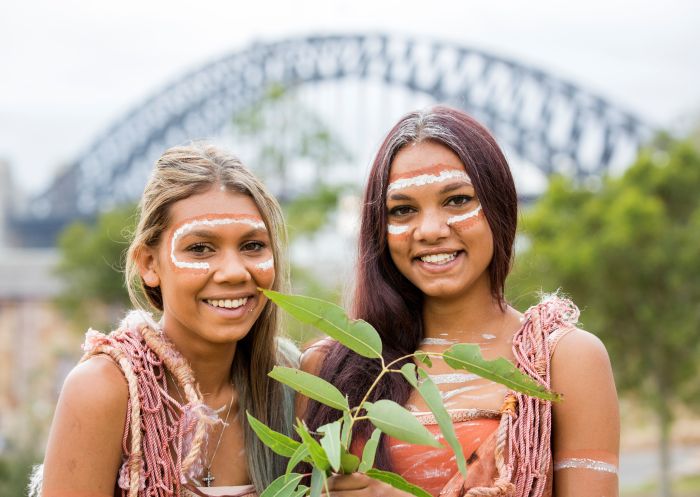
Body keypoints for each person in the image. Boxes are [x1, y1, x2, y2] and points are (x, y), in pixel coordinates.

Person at [302, 107, 620, 497]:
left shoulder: (561, 361)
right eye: (403, 210)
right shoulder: (329, 370)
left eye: (457, 200)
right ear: (379, 230)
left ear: (500, 206)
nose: (432, 230)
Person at [39, 143, 296, 497]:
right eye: (200, 248)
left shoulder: (296, 389)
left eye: (253, 246)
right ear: (148, 264)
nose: (235, 272)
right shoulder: (104, 392)